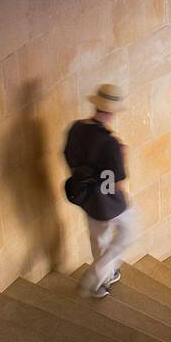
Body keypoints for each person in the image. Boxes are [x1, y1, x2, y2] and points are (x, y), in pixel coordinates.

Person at [63, 84, 137, 299]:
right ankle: (97, 274)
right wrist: (123, 155)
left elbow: (69, 157)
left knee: (98, 239)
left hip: (86, 196)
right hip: (110, 202)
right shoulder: (110, 144)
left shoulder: (76, 128)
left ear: (96, 106)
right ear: (112, 112)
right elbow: (118, 183)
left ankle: (104, 280)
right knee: (129, 232)